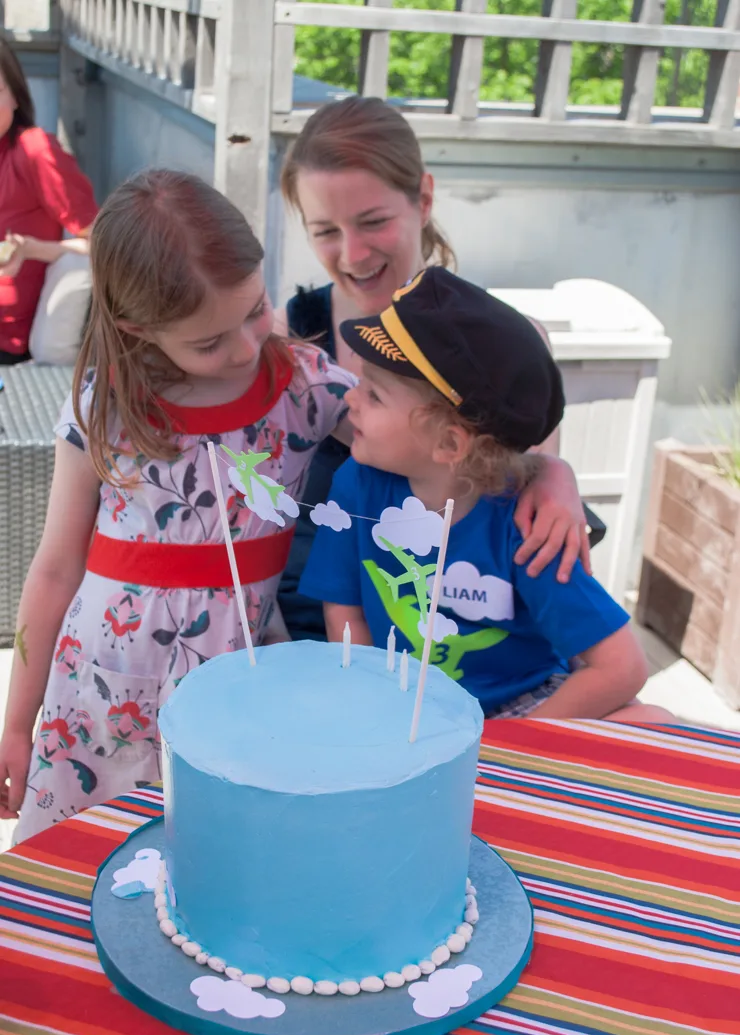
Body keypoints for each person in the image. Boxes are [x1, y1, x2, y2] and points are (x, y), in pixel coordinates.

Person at [0, 170, 354, 841]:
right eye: (209, 342)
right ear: (139, 328)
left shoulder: (304, 386)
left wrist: (545, 471)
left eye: (255, 309)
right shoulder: (103, 406)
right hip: (97, 697)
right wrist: (16, 726)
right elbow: (53, 569)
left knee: (218, 873)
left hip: (236, 693)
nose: (247, 347)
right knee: (79, 866)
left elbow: (415, 435)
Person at [275, 95, 592, 642]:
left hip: (447, 646)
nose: (351, 254)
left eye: (373, 221)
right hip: (303, 630)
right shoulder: (289, 338)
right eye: (325, 230)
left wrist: (556, 474)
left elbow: (518, 483)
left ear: (422, 200)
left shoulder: (505, 348)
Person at [299, 268, 673, 723]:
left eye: (374, 395)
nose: (350, 401)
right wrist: (371, 705)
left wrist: (508, 750)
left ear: (450, 445)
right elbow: (346, 611)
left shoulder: (529, 523)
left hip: (520, 711)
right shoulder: (355, 483)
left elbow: (622, 667)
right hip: (397, 703)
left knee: (653, 722)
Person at [0, 39, 97, 363]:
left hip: (9, 342)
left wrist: (29, 249)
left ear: (15, 94)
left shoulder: (34, 151)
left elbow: (105, 244)